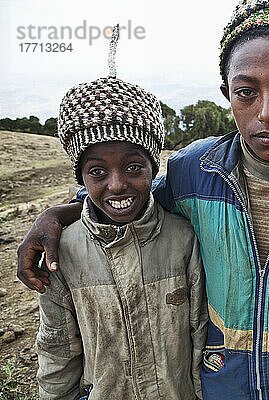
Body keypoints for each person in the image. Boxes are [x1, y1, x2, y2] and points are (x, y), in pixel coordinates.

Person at [18, 2, 269, 399]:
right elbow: (130, 203)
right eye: (246, 93)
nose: (268, 112)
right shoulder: (195, 172)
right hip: (218, 386)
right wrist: (58, 214)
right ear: (227, 94)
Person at [35, 27, 207, 400]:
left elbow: (199, 339)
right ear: (80, 176)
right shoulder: (62, 252)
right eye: (97, 172)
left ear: (154, 166)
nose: (116, 185)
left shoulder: (183, 238)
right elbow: (58, 350)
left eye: (133, 167)